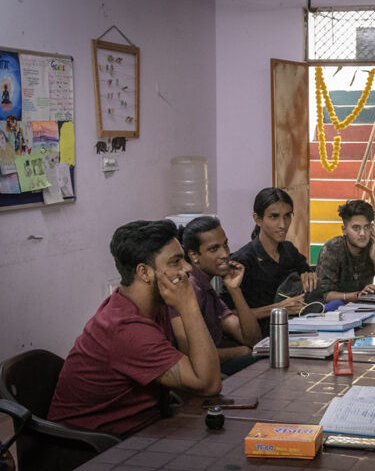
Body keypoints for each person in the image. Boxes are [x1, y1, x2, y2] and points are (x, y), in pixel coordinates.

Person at [48, 220, 221, 436]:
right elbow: (208, 384)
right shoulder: (126, 329)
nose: (187, 268)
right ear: (144, 272)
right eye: (176, 262)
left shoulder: (149, 308)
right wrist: (189, 307)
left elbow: (196, 370)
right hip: (90, 449)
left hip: (145, 428)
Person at [174, 216, 263, 376]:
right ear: (194, 256)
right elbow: (191, 355)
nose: (225, 254)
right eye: (214, 249)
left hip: (214, 367)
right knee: (263, 360)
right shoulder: (191, 288)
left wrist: (235, 289)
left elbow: (252, 338)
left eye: (225, 245)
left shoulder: (207, 288)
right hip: (202, 374)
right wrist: (239, 351)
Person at [228, 187, 318, 336]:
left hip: (298, 329)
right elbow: (229, 314)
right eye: (274, 217)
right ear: (258, 219)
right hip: (263, 337)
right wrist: (278, 309)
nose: (283, 224)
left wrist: (309, 275)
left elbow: (305, 271)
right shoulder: (242, 261)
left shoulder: (289, 250)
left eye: (287, 216)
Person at [315, 199, 375, 302]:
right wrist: (358, 295)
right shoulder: (332, 250)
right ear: (344, 230)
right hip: (336, 312)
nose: (363, 233)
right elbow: (323, 295)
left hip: (365, 309)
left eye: (367, 227)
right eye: (356, 228)